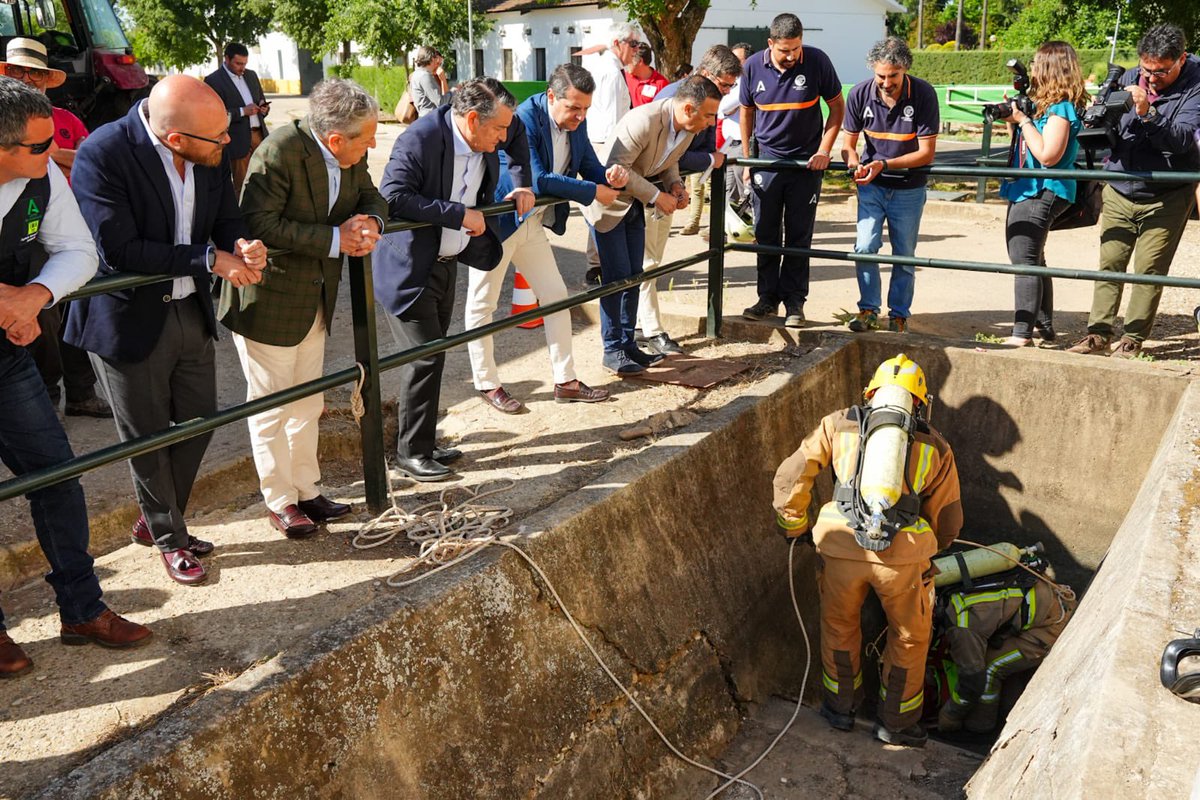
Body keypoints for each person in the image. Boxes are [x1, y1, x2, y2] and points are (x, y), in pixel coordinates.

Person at [66, 76, 267, 586]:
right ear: (175, 138)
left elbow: (226, 217)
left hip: (188, 308)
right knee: (147, 436)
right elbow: (119, 250)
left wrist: (242, 245)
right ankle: (169, 537)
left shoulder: (206, 147)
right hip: (126, 319)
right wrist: (209, 259)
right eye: (217, 139)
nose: (227, 144)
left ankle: (158, 519)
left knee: (201, 420)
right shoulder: (103, 152)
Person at [0, 77, 152, 677]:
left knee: (58, 476)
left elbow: (79, 251)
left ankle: (82, 609)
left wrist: (34, 296)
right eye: (40, 148)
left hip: (7, 357)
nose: (54, 156)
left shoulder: (41, 178)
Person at [219, 79, 387, 538]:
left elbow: (371, 194)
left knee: (308, 402)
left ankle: (307, 490)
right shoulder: (279, 151)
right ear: (336, 139)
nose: (373, 143)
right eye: (368, 138)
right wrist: (337, 239)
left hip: (314, 296)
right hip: (269, 299)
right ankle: (279, 500)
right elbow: (259, 223)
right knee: (271, 406)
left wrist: (369, 221)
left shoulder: (349, 150)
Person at [774, 354, 962, 747]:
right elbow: (948, 520)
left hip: (840, 550)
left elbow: (792, 475)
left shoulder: (836, 424)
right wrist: (930, 553)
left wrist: (796, 527)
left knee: (840, 628)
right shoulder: (935, 445)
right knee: (908, 639)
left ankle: (840, 710)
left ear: (871, 393)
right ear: (920, 401)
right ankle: (896, 724)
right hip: (903, 562)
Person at [374, 77, 535, 482]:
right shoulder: (422, 138)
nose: (503, 136)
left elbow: (519, 143)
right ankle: (409, 454)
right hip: (409, 267)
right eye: (496, 129)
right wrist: (457, 214)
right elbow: (391, 196)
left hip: (448, 260)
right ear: (469, 119)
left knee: (436, 353)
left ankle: (423, 443)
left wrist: (520, 185)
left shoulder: (496, 127)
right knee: (426, 355)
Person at [466, 64, 619, 414]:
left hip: (530, 222)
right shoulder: (524, 117)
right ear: (551, 96)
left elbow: (589, 165)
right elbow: (539, 179)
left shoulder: (575, 121)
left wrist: (610, 178)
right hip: (497, 221)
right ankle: (486, 383)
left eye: (585, 109)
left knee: (555, 296)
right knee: (482, 303)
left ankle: (566, 381)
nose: (580, 117)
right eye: (574, 108)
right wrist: (593, 191)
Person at [1068, 23, 1200, 359]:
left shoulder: (1196, 86)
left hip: (1167, 193)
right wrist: (1102, 112)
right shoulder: (1128, 77)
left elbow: (1182, 140)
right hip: (1120, 186)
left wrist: (1147, 112)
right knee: (1109, 263)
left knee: (1149, 270)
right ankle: (1098, 334)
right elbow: (1105, 133)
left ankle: (1132, 339)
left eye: (1161, 72)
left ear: (1181, 60)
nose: (1152, 78)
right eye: (1146, 70)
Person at [0, 38, 111, 417]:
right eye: (17, 70)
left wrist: (32, 295)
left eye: (36, 73)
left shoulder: (64, 123)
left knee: (59, 316)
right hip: (28, 249)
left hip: (44, 240)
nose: (27, 79)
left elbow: (91, 163)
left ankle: (70, 394)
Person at [584, 75, 721, 375]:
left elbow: (670, 160)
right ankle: (612, 349)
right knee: (616, 278)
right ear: (688, 109)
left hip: (635, 203)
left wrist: (676, 186)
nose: (711, 123)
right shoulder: (642, 120)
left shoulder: (685, 127)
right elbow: (616, 169)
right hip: (609, 205)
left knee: (635, 274)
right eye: (709, 115)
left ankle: (629, 344)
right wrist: (657, 195)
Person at [740, 13, 844, 328]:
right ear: (770, 43)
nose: (791, 56)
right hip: (767, 163)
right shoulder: (753, 67)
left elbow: (837, 107)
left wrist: (825, 149)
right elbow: (746, 114)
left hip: (805, 165)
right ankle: (766, 299)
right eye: (784, 50)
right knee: (767, 234)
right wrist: (748, 159)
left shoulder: (817, 62)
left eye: (796, 49)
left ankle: (795, 303)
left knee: (799, 236)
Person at [637, 46, 742, 357]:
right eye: (724, 85)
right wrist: (710, 158)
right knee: (645, 262)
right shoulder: (671, 97)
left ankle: (642, 325)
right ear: (706, 74)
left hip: (668, 187)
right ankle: (649, 329)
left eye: (729, 87)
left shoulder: (710, 103)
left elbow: (694, 152)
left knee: (651, 260)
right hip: (647, 188)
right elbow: (665, 152)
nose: (726, 92)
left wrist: (688, 172)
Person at [841, 37, 940, 335]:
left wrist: (884, 164)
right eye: (880, 76)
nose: (885, 83)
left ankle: (899, 314)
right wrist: (853, 161)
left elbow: (927, 153)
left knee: (904, 253)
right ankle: (868, 310)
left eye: (892, 76)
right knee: (865, 247)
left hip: (908, 187)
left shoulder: (923, 94)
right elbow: (848, 143)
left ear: (905, 70)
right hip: (871, 185)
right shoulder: (859, 93)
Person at [996, 42, 1089, 347]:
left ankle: (1021, 334)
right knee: (1034, 257)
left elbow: (1048, 155)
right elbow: (1025, 147)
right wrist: (1017, 119)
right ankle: (1044, 326)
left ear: (1049, 68)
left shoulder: (1061, 107)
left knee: (1024, 258)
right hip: (1028, 187)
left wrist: (1023, 121)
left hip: (1044, 188)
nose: (1032, 68)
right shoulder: (1045, 105)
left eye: (1036, 63)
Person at [936, 574, 1075, 734]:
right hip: (1047, 594)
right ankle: (1006, 701)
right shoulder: (948, 588)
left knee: (989, 668)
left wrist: (950, 716)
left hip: (1052, 624)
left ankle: (980, 728)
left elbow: (973, 681)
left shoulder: (961, 624)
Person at [584, 22, 642, 286]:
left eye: (639, 45)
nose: (637, 50)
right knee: (604, 209)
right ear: (617, 44)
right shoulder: (609, 72)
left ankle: (599, 265)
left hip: (603, 147)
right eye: (633, 44)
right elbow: (608, 124)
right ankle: (600, 266)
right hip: (605, 148)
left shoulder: (611, 70)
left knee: (602, 208)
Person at [205, 42, 270, 192]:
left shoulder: (251, 75)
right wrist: (242, 111)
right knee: (242, 184)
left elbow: (260, 99)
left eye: (245, 63)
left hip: (259, 135)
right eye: (238, 63)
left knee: (266, 178)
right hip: (237, 140)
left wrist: (264, 108)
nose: (242, 68)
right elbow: (215, 115)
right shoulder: (213, 81)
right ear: (226, 59)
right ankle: (242, 215)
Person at [709, 43, 754, 242]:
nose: (732, 63)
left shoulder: (745, 82)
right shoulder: (734, 84)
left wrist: (728, 108)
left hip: (740, 144)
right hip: (727, 144)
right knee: (726, 190)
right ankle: (726, 230)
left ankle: (747, 231)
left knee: (745, 190)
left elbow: (724, 106)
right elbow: (721, 109)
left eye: (737, 59)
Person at [410, 45, 450, 118]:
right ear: (432, 59)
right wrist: (453, 92)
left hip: (424, 117)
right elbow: (441, 102)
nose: (437, 64)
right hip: (430, 118)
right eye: (436, 60)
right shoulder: (425, 76)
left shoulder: (416, 74)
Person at [625, 43, 669, 107]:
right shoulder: (624, 77)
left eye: (630, 58)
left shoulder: (661, 84)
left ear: (640, 61)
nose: (627, 62)